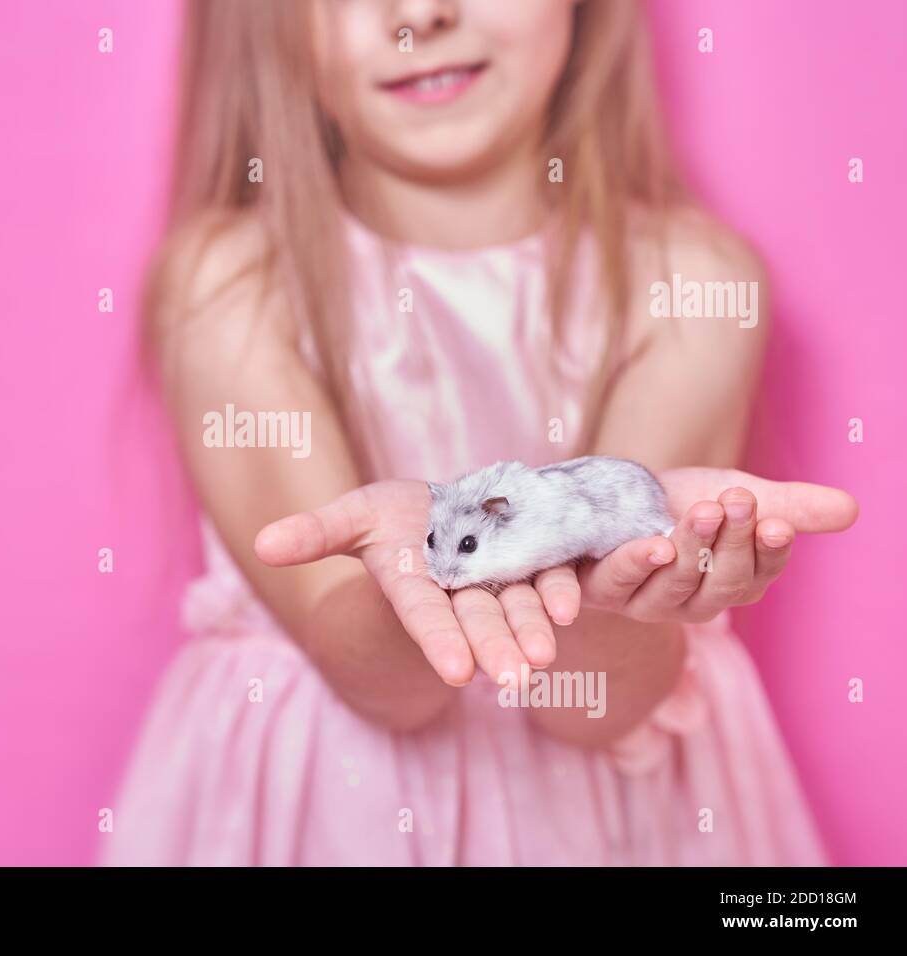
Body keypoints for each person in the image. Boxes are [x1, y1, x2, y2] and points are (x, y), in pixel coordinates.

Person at [104, 0, 857, 865]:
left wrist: (617, 582)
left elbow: (595, 706)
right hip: (330, 814)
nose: (423, 13)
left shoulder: (692, 282)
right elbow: (380, 688)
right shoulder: (228, 287)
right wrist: (413, 583)